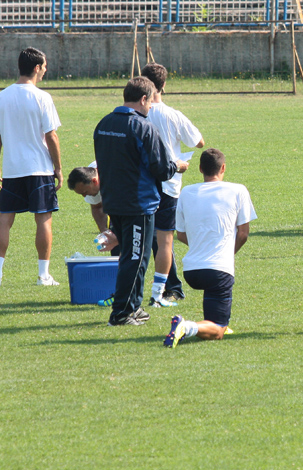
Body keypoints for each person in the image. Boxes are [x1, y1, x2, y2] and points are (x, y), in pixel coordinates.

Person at [94, 77, 188, 326]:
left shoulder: (104, 123)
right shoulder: (143, 127)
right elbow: (160, 168)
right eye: (150, 102)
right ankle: (122, 313)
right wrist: (176, 166)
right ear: (144, 99)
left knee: (128, 256)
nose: (150, 108)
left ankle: (133, 308)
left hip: (114, 201)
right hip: (139, 204)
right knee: (136, 258)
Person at [163, 148, 256, 347]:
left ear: (200, 169)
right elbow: (243, 233)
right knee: (219, 330)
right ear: (223, 168)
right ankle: (187, 327)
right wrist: (227, 254)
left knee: (214, 309)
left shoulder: (186, 192)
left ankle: (208, 324)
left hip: (191, 271)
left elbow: (181, 235)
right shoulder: (238, 190)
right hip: (218, 270)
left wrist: (201, 246)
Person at [67, 163, 185, 306]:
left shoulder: (116, 173)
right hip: (124, 205)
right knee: (116, 245)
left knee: (157, 240)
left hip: (151, 199)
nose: (85, 196)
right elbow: (97, 207)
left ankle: (173, 290)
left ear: (94, 181)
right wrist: (106, 232)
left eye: (85, 191)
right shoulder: (92, 178)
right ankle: (122, 293)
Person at [141, 62, 205, 305]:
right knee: (164, 240)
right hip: (169, 184)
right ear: (164, 85)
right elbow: (198, 142)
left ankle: (170, 287)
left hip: (142, 184)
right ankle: (165, 290)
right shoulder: (172, 115)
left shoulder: (138, 113)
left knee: (141, 239)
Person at [0, 47, 62, 286]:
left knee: (4, 220)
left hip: (12, 169)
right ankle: (43, 275)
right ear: (36, 68)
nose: (45, 70)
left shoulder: (2, 96)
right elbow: (52, 136)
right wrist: (58, 167)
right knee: (43, 219)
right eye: (44, 66)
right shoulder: (42, 97)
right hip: (39, 169)